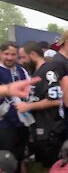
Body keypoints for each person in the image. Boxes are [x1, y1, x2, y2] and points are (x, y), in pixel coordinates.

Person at [16, 41, 66, 167]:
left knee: (53, 166)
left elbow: (54, 99)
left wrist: (28, 106)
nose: (21, 61)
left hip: (50, 129)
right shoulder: (36, 72)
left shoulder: (48, 70)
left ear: (33, 54)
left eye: (23, 57)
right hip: (39, 128)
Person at [0, 41, 30, 173]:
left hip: (23, 121)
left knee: (20, 155)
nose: (9, 57)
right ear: (0, 53)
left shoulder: (21, 70)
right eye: (6, 54)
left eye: (13, 54)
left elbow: (29, 91)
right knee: (6, 160)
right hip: (4, 125)